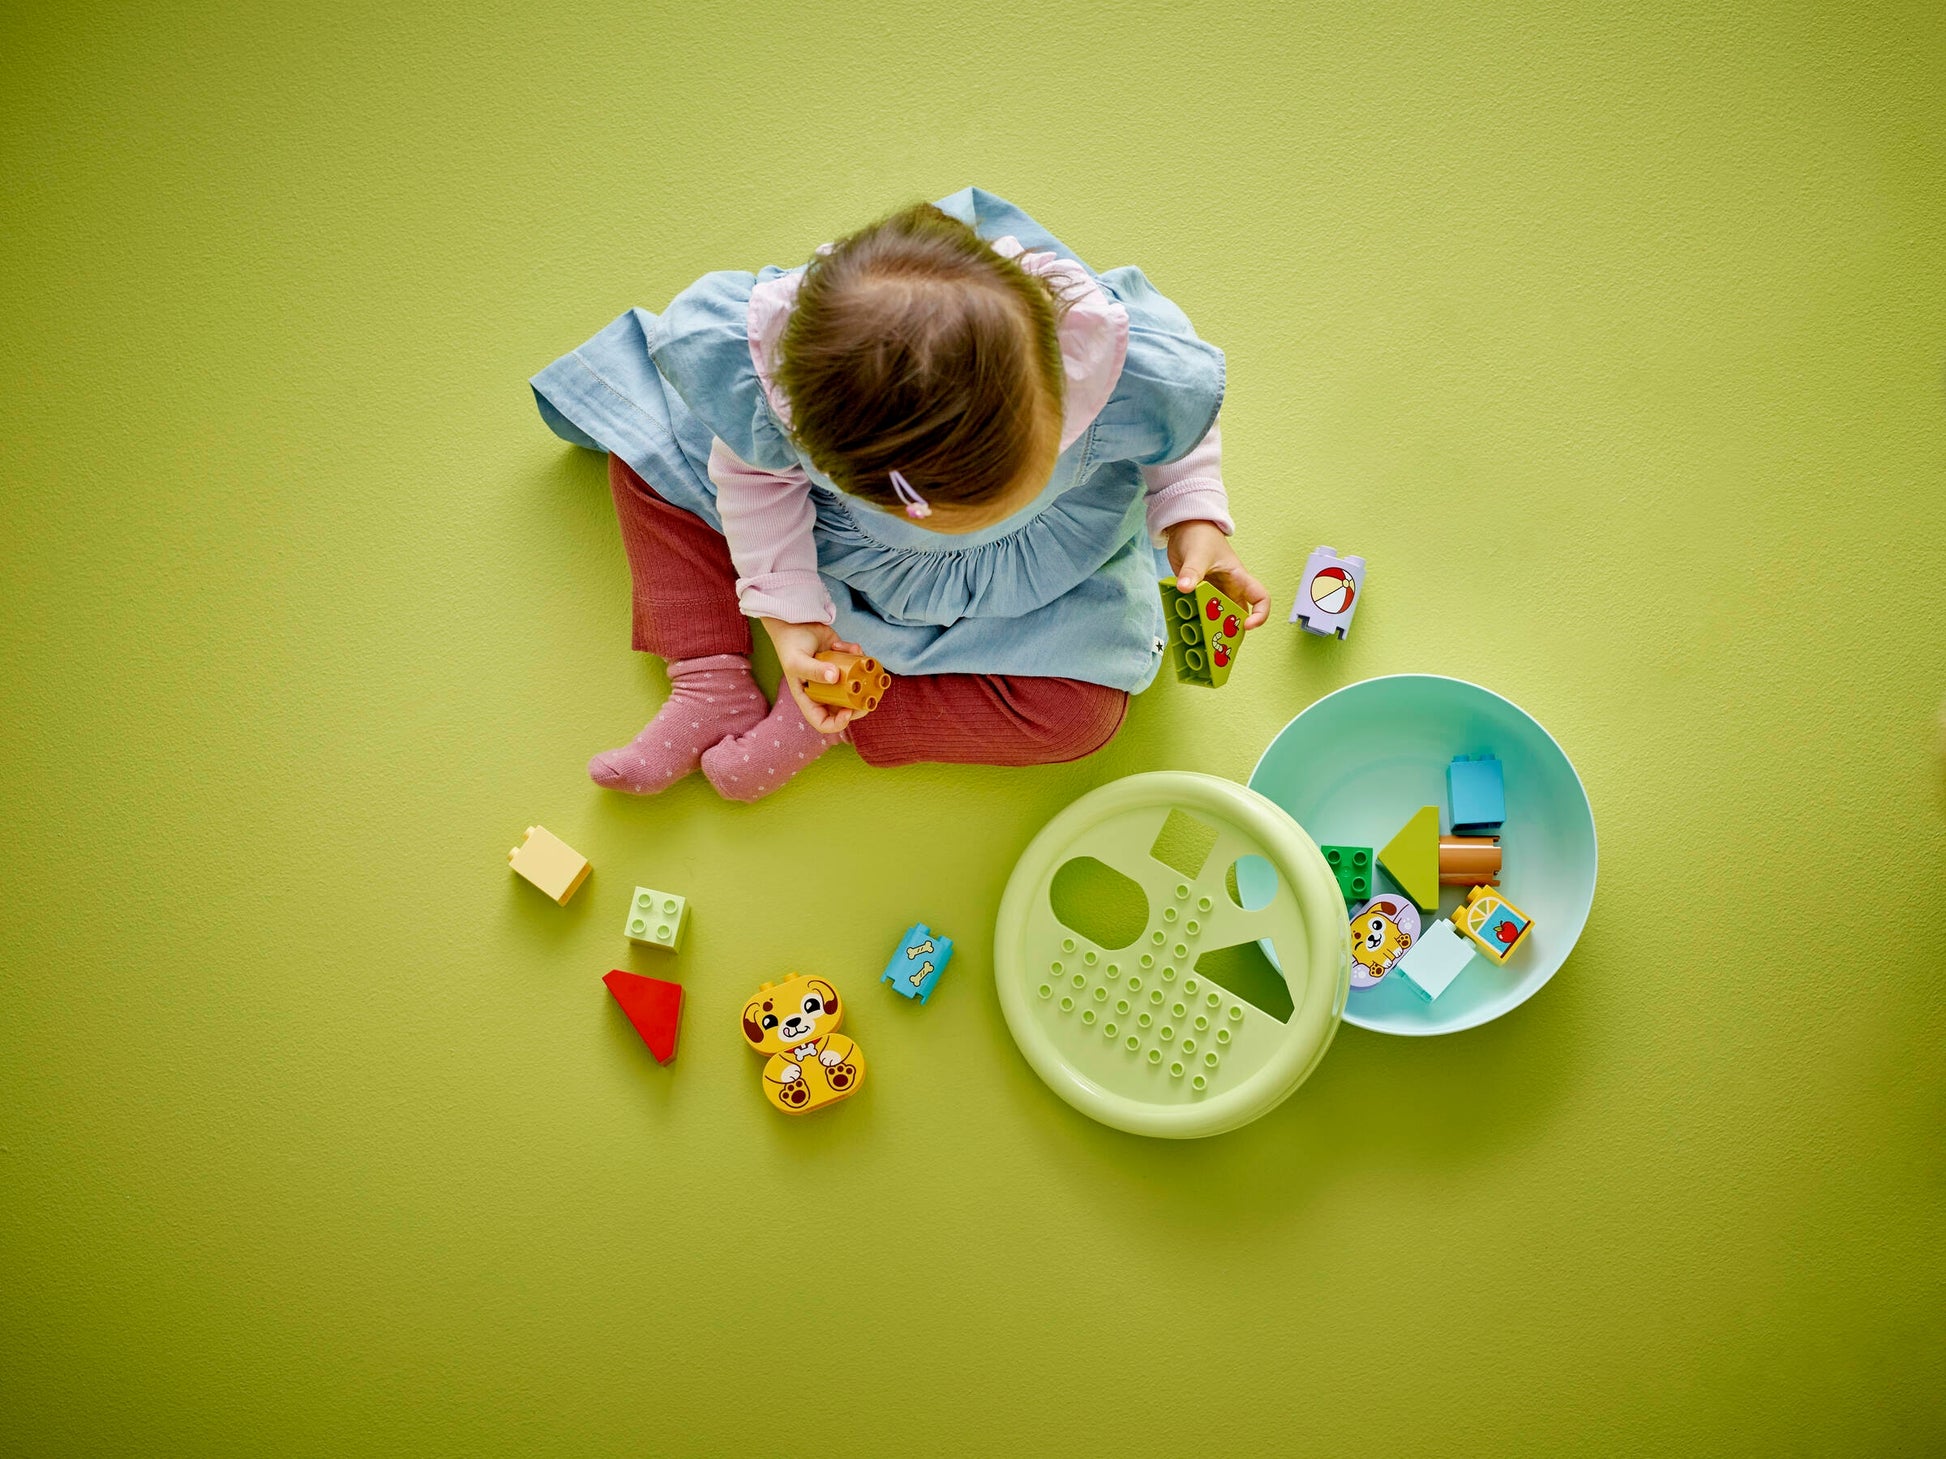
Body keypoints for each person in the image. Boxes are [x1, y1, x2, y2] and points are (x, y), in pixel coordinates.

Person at [531, 188, 1269, 802]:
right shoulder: (785, 390)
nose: (946, 525)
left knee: (1082, 716)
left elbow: (1177, 422)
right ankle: (707, 676)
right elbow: (753, 476)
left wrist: (1191, 513)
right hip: (835, 548)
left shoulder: (1100, 357)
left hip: (1047, 584)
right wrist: (789, 618)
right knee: (650, 454)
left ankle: (839, 712)